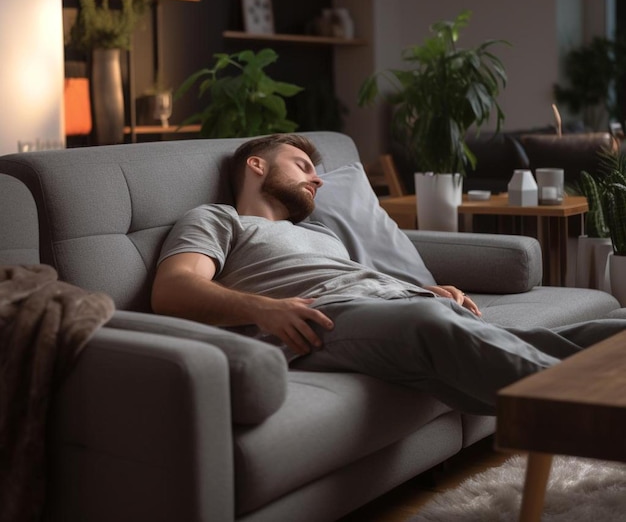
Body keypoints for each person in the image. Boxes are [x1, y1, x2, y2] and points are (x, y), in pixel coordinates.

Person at [152, 134, 625, 415]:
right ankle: (596, 413)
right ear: (256, 165)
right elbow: (173, 290)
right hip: (322, 323)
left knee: (594, 336)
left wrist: (421, 290)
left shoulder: (322, 234)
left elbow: (364, 281)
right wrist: (264, 309)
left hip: (396, 308)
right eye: (303, 166)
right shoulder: (218, 218)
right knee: (430, 325)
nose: (316, 178)